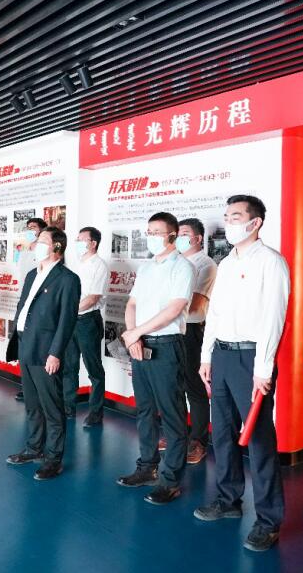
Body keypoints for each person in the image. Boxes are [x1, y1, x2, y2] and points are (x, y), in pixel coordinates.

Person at [194, 195, 289, 552]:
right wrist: (206, 356)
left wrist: (263, 369)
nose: (229, 222)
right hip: (221, 356)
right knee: (222, 434)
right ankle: (228, 499)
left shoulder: (271, 262)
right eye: (227, 216)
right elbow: (215, 313)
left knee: (259, 440)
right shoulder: (227, 263)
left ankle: (268, 520)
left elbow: (273, 318)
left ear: (255, 222)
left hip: (252, 360)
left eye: (236, 216)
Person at [116, 212, 196, 505]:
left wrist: (136, 333)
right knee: (144, 410)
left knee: (172, 414)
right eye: (148, 231)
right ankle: (146, 467)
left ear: (172, 235)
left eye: (157, 232)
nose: (150, 237)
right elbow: (132, 304)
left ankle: (170, 480)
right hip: (140, 343)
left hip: (167, 346)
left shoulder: (183, 267)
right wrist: (132, 335)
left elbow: (174, 309)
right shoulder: (146, 267)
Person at [6, 227, 80, 480]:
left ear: (57, 247)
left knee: (52, 407)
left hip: (46, 350)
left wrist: (55, 353)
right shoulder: (31, 274)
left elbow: (67, 320)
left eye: (43, 241)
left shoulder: (67, 279)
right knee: (32, 404)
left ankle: (53, 459)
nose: (37, 244)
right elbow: (23, 307)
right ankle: (33, 448)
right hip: (26, 344)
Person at [176, 217, 217, 464]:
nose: (178, 238)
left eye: (184, 234)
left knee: (195, 388)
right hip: (172, 329)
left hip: (192, 330)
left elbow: (195, 305)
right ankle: (178, 436)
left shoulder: (205, 264)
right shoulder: (176, 262)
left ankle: (198, 441)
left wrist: (168, 308)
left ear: (197, 238)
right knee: (175, 386)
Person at [63, 226, 108, 426]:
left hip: (88, 321)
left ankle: (96, 413)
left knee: (94, 369)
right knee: (69, 366)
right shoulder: (76, 264)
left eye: (82, 239)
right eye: (77, 239)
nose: (77, 243)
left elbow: (92, 299)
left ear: (93, 243)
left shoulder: (100, 266)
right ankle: (67, 407)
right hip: (71, 320)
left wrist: (69, 311)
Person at [14, 217, 48, 402]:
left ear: (42, 231)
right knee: (24, 347)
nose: (29, 230)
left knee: (37, 347)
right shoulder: (24, 252)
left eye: (33, 227)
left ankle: (39, 389)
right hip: (23, 303)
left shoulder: (45, 254)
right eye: (27, 227)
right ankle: (26, 387)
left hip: (38, 306)